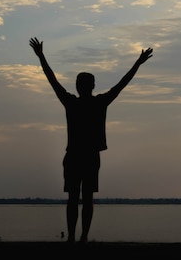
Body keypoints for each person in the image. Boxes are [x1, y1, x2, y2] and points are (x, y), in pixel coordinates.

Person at [29, 37, 153, 244]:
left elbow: (121, 84)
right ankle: (75, 237)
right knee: (79, 199)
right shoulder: (82, 102)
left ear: (90, 86)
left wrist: (137, 64)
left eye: (83, 83)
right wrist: (41, 56)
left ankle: (80, 237)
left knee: (82, 199)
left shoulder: (86, 102)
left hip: (84, 156)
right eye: (79, 83)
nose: (81, 86)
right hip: (80, 156)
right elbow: (53, 80)